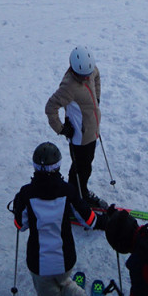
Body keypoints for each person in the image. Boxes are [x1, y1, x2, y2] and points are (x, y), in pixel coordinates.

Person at [10, 142, 103, 296]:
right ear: (58, 165)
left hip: (39, 263)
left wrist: (17, 206)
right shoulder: (68, 191)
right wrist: (107, 221)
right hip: (65, 259)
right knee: (65, 283)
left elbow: (20, 225)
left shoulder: (26, 193)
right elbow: (90, 220)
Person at [45, 46, 102, 208]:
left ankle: (78, 193)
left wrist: (97, 99)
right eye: (83, 75)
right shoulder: (68, 87)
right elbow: (50, 107)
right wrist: (61, 129)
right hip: (80, 137)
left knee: (86, 166)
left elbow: (96, 77)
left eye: (88, 74)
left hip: (92, 130)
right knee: (80, 169)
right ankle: (77, 196)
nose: (87, 78)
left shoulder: (90, 70)